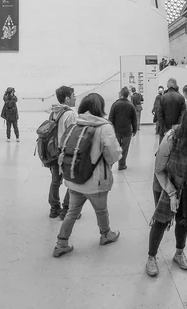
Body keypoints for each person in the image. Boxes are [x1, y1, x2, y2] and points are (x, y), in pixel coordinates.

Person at [52, 93, 122, 257]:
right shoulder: (104, 127)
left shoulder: (76, 123)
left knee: (72, 212)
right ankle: (105, 235)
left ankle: (61, 243)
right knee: (101, 210)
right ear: (101, 107)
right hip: (95, 181)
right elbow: (114, 154)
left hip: (74, 179)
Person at [146, 106, 187, 276]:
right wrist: (172, 193)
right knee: (161, 221)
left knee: (184, 220)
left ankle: (179, 253)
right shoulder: (171, 139)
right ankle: (151, 257)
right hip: (165, 183)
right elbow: (159, 170)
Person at [48, 86, 78, 220]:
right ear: (67, 98)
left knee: (55, 181)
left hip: (53, 151)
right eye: (73, 95)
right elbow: (73, 135)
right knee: (72, 181)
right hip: (65, 153)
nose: (75, 97)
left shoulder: (54, 112)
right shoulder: (70, 114)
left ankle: (54, 208)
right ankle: (66, 209)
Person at [108, 87, 137, 170]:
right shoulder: (131, 105)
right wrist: (134, 129)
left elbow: (111, 118)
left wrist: (110, 129)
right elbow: (134, 119)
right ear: (127, 95)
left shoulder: (115, 104)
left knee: (114, 149)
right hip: (127, 131)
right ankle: (122, 165)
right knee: (124, 149)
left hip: (116, 131)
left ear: (120, 94)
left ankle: (109, 166)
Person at [157, 78, 186, 143]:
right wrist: (177, 127)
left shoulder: (163, 98)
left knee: (163, 150)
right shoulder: (181, 97)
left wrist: (164, 128)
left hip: (164, 131)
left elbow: (159, 115)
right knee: (176, 150)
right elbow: (183, 115)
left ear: (168, 86)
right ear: (176, 85)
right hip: (177, 131)